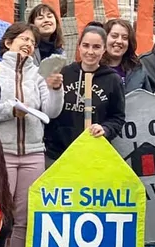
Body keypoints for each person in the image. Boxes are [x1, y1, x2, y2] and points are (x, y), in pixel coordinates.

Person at [0, 22, 63, 247]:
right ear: (8, 42)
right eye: (23, 38)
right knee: (0, 216)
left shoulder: (37, 74)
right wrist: (12, 112)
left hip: (33, 152)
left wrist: (55, 89)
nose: (28, 44)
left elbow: (52, 112)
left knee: (24, 217)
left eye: (32, 41)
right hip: (3, 152)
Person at [44, 24, 126, 161]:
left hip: (94, 153)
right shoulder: (64, 73)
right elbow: (50, 109)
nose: (90, 51)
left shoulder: (112, 79)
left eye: (96, 47)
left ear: (104, 49)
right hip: (59, 153)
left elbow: (117, 117)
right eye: (86, 45)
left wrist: (105, 129)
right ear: (79, 46)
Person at [103, 17, 141, 86]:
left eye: (124, 38)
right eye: (114, 36)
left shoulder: (138, 70)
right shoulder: (93, 68)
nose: (119, 41)